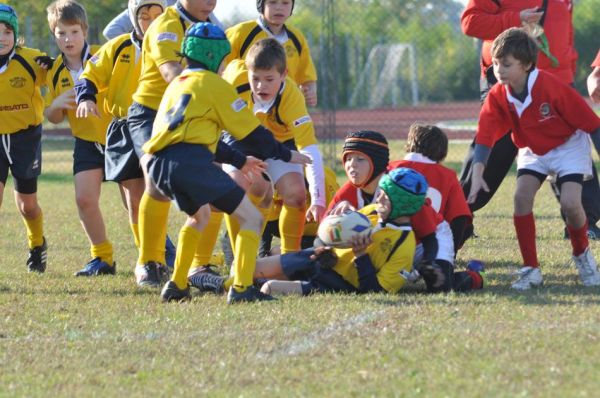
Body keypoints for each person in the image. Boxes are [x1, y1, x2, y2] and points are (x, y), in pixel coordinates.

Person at [143, 21, 310, 303]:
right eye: (224, 59)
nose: (225, 65)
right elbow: (252, 133)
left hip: (158, 165)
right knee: (252, 218)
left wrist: (240, 160)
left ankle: (177, 284)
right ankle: (243, 287)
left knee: (199, 217)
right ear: (215, 57)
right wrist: (287, 154)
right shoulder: (214, 85)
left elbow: (204, 138)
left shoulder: (176, 85)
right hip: (191, 163)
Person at [467, 28, 600, 290]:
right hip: (531, 149)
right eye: (495, 63)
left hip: (568, 146)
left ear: (527, 65)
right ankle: (531, 268)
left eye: (506, 64)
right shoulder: (497, 95)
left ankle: (582, 255)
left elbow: (593, 125)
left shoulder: (551, 87)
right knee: (521, 197)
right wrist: (478, 173)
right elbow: (484, 137)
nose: (498, 70)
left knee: (572, 204)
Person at [458, 0, 600, 239]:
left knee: (570, 144)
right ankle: (458, 215)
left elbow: (564, 31)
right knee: (496, 144)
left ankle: (584, 222)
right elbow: (470, 23)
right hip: (508, 80)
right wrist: (516, 18)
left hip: (557, 80)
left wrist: (569, 70)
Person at [127, 0, 218, 286]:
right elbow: (172, 75)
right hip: (151, 113)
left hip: (191, 111)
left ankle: (199, 267)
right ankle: (149, 262)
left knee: (213, 179)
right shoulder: (165, 25)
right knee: (156, 181)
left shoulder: (211, 28)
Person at [74, 0, 166, 275]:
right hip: (125, 127)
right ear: (132, 17)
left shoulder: (170, 45)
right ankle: (148, 262)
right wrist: (87, 97)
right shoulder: (118, 47)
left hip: (160, 126)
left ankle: (178, 257)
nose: (150, 21)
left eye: (156, 15)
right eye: (144, 15)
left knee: (161, 192)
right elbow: (89, 75)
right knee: (135, 198)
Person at [326, 131, 471, 292]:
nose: (352, 165)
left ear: (377, 163)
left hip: (425, 241)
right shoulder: (348, 191)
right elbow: (326, 230)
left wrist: (427, 261)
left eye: (360, 159)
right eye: (348, 158)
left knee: (440, 286)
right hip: (393, 243)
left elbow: (429, 235)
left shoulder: (400, 190)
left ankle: (473, 276)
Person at [221, 39, 326, 254]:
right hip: (240, 139)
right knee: (235, 188)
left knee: (297, 194)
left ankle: (289, 260)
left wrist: (318, 200)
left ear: (284, 74)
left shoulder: (292, 97)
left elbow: (309, 149)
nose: (261, 86)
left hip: (280, 145)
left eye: (269, 79)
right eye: (255, 79)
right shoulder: (233, 79)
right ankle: (239, 257)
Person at [44, 0, 117, 276]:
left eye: (74, 31)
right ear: (54, 35)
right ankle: (103, 257)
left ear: (84, 30)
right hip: (86, 142)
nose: (68, 39)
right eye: (61, 33)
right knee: (85, 200)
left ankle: (158, 253)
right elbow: (52, 117)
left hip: (118, 138)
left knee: (134, 201)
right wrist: (57, 104)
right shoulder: (54, 71)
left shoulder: (103, 55)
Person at [0, 4, 50, 273]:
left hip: (25, 139)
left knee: (27, 206)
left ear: (15, 34)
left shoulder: (31, 60)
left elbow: (60, 75)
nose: (1, 37)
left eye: (7, 31)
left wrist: (54, 67)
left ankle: (37, 244)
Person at [388, 123, 473, 254]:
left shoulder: (391, 168)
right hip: (430, 247)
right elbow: (460, 217)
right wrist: (450, 254)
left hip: (389, 243)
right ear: (442, 150)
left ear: (411, 143)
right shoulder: (447, 175)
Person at [225, 0, 318, 106]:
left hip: (284, 109)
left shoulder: (297, 38)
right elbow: (221, 70)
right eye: (273, 2)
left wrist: (311, 91)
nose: (279, 7)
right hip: (248, 111)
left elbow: (307, 78)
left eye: (285, 3)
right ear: (261, 5)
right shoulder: (240, 33)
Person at [102, 0, 184, 40]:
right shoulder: (140, 4)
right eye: (145, 17)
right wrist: (136, 44)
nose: (152, 23)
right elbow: (111, 31)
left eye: (158, 16)